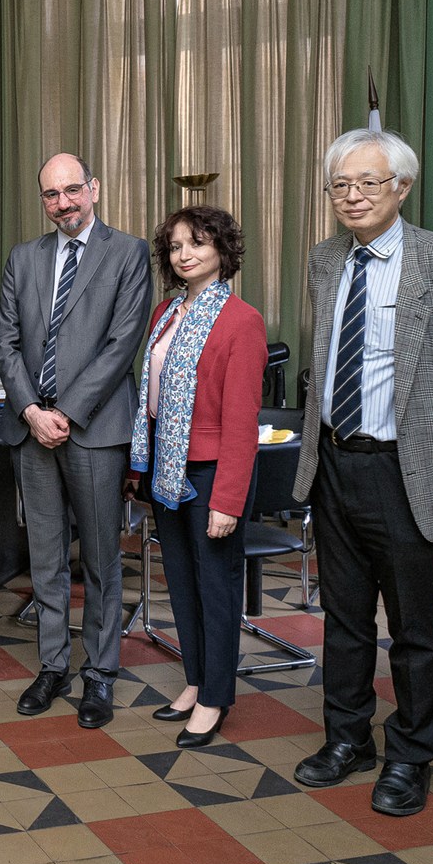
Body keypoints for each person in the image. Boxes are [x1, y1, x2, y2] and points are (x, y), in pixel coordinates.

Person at [291, 128, 433, 816]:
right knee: (343, 617)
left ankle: (411, 755)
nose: (352, 196)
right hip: (333, 464)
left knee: (414, 626)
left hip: (402, 470)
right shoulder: (325, 260)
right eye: (340, 184)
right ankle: (346, 738)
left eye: (368, 182)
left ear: (402, 187)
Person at [0, 152, 150, 728]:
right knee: (46, 556)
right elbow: (6, 342)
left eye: (72, 190)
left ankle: (100, 673)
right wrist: (32, 411)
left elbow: (122, 343)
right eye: (51, 194)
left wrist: (65, 412)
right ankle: (53, 664)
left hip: (95, 430)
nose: (63, 203)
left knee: (102, 559)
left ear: (94, 189)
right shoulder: (23, 257)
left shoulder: (128, 253)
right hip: (32, 430)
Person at [127, 206, 265, 748]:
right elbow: (151, 396)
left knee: (216, 587)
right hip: (167, 468)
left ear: (222, 251)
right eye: (176, 246)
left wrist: (228, 499)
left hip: (211, 475)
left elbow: (242, 422)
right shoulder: (165, 312)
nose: (185, 254)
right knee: (181, 582)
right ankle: (195, 680)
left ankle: (215, 697)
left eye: (198, 243)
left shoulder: (241, 320)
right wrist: (139, 466)